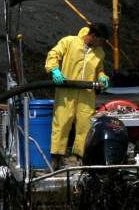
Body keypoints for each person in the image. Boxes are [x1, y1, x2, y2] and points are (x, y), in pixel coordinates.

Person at [44, 22, 110, 167]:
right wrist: (54, 70)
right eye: (101, 40)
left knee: (85, 125)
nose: (102, 44)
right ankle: (56, 159)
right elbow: (53, 54)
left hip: (86, 93)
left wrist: (102, 77)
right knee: (61, 123)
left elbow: (99, 69)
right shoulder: (69, 42)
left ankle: (78, 157)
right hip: (66, 91)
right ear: (93, 36)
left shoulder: (99, 52)